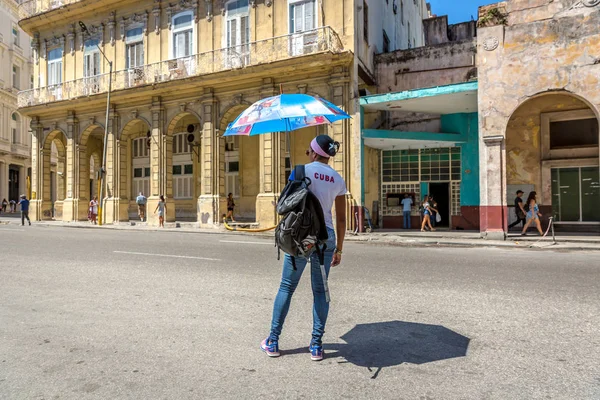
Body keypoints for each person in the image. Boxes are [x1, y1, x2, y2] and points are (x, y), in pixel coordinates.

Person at [261, 135, 346, 362]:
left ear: (314, 152)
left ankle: (273, 341)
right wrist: (339, 249)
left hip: (301, 237)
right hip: (325, 238)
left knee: (287, 287)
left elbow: (284, 205)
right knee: (321, 292)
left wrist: (296, 177)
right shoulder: (337, 178)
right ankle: (316, 346)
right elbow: (341, 220)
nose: (307, 154)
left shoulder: (300, 171)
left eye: (309, 150)